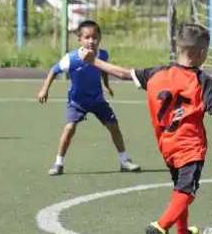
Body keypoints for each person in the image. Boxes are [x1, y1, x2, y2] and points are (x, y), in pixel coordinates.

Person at [81, 23, 212, 234]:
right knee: (187, 191)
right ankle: (161, 226)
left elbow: (123, 73)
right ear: (201, 53)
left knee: (179, 190)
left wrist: (94, 61)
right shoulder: (203, 82)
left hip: (167, 146)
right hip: (190, 146)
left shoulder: (156, 73)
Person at [37, 20, 141, 176]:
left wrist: (106, 85)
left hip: (97, 100)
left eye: (94, 37)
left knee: (114, 126)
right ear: (80, 40)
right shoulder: (71, 59)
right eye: (87, 37)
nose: (91, 41)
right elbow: (54, 70)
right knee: (69, 128)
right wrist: (44, 90)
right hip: (77, 102)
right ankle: (58, 163)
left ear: (99, 38)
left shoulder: (102, 55)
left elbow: (103, 69)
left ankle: (125, 161)